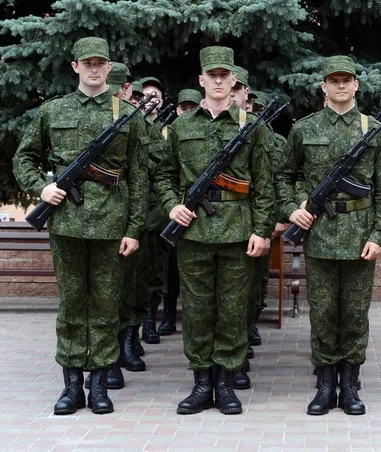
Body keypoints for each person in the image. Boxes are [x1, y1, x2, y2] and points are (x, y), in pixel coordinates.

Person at [13, 37, 149, 415]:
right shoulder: (52, 112)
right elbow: (23, 157)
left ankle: (100, 386)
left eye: (100, 63)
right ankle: (72, 386)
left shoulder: (128, 116)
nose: (93, 68)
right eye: (86, 62)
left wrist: (134, 229)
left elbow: (139, 177)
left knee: (106, 308)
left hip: (111, 226)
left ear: (109, 67)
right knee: (72, 306)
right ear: (75, 67)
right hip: (67, 225)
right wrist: (43, 186)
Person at [155, 46, 275, 415]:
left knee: (233, 310)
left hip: (238, 233)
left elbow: (265, 184)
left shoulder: (251, 127)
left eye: (225, 75)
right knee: (196, 310)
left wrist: (262, 229)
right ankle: (201, 382)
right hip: (193, 233)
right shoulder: (181, 127)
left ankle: (225, 383)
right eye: (212, 75)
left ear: (234, 80)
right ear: (202, 80)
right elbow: (163, 174)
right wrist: (171, 204)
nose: (219, 80)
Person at [277, 55, 381, 416]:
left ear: (356, 85)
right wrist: (292, 208)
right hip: (320, 235)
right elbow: (285, 176)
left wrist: (378, 235)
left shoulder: (373, 128)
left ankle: (350, 385)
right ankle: (326, 384)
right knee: (324, 313)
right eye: (334, 80)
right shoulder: (304, 129)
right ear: (324, 86)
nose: (341, 85)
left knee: (356, 314)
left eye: (347, 80)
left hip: (360, 236)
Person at [157, 88, 203, 337]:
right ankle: (167, 316)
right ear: (176, 110)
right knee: (169, 272)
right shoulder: (172, 132)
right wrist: (172, 205)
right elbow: (165, 174)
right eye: (183, 108)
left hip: (196, 219)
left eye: (191, 108)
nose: (187, 112)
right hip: (173, 214)